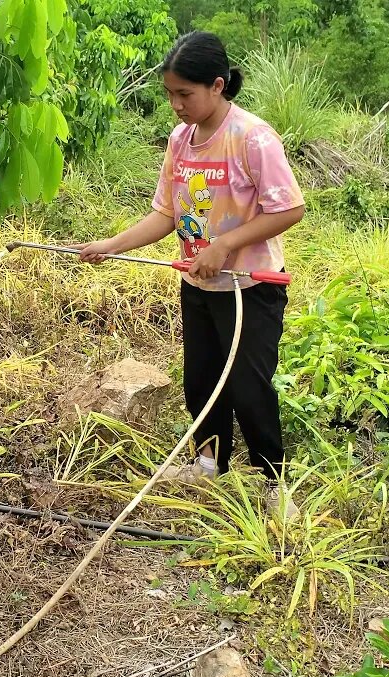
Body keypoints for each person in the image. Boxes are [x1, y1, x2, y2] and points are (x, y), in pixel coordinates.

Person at [72, 31, 306, 503]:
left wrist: (225, 244)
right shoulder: (181, 140)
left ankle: (273, 483)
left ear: (217, 85)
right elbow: (165, 213)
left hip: (250, 287)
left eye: (185, 94)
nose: (176, 105)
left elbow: (289, 208)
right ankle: (209, 463)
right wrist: (112, 245)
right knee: (201, 377)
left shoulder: (251, 138)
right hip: (198, 283)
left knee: (248, 384)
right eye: (170, 95)